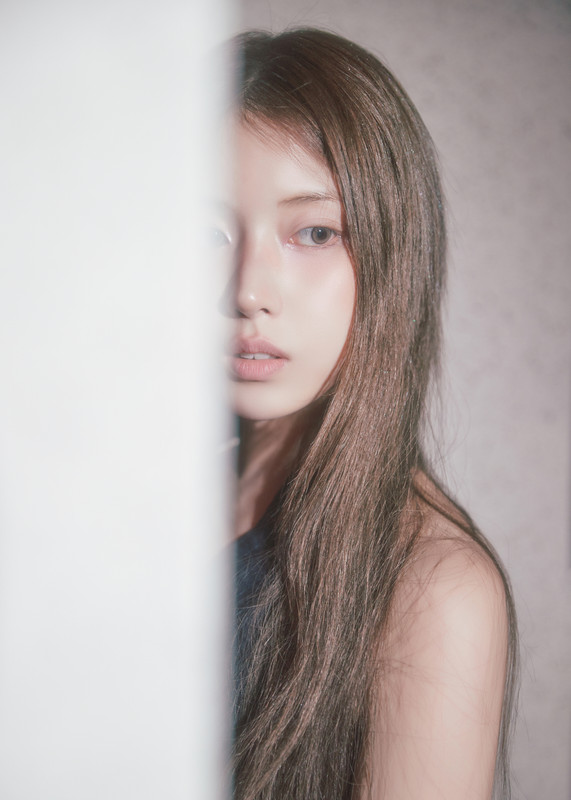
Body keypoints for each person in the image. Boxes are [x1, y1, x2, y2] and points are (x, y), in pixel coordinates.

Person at [217, 28, 518, 800]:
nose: (246, 289)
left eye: (314, 232)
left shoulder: (433, 590)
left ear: (391, 256)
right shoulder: (147, 494)